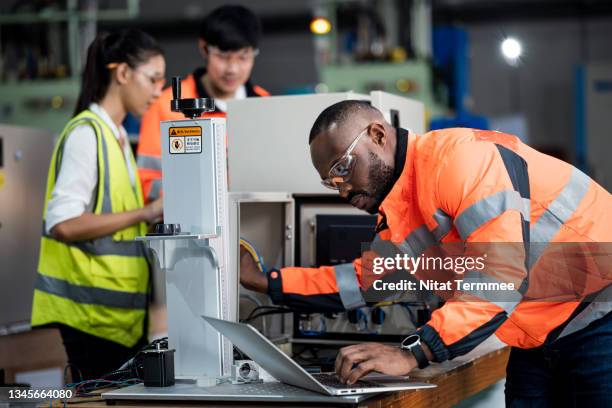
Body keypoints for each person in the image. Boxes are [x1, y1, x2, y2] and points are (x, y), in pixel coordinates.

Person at [240, 100, 612, 406]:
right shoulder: (400, 212)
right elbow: (361, 283)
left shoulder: (461, 162)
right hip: (539, 337)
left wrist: (413, 352)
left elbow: (500, 278)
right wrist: (266, 281)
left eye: (343, 167)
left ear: (378, 134)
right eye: (330, 180)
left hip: (599, 316)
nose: (341, 189)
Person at [31, 29, 166, 381]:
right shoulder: (86, 134)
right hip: (89, 319)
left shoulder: (117, 137)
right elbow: (63, 223)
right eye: (152, 79)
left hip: (119, 319)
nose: (158, 91)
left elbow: (117, 225)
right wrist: (146, 212)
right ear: (122, 73)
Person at [137, 4, 269, 203]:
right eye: (223, 57)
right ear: (204, 49)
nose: (232, 69)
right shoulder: (167, 105)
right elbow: (148, 182)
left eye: (243, 57)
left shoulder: (266, 105)